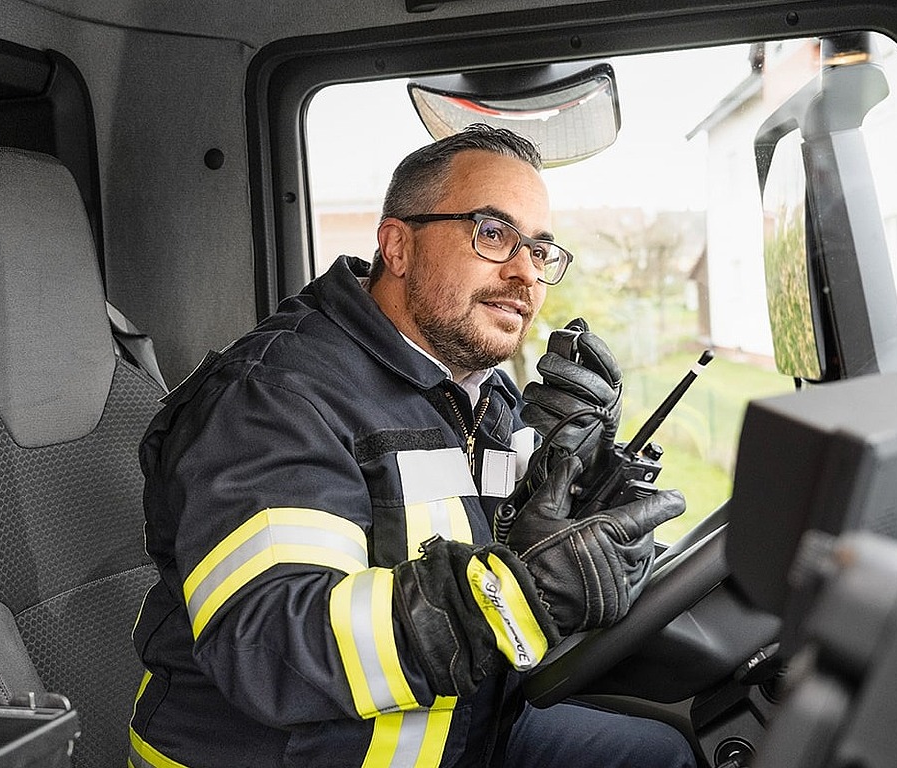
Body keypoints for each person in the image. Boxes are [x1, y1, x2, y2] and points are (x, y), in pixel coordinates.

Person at [127, 124, 695, 768]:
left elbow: (487, 539)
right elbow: (273, 648)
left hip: (461, 730)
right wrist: (521, 596)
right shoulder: (274, 399)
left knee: (662, 753)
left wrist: (574, 484)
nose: (524, 273)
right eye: (492, 232)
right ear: (397, 246)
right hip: (298, 754)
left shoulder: (477, 392)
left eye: (540, 250)